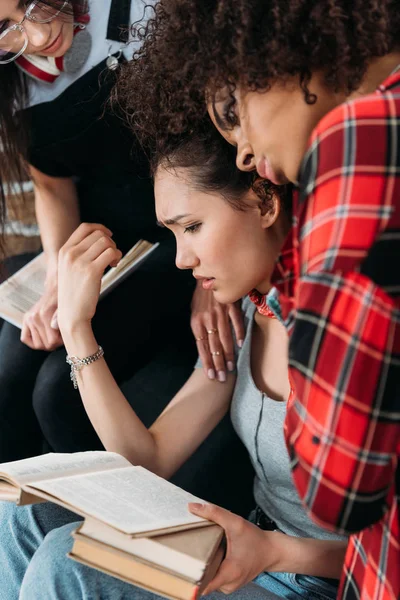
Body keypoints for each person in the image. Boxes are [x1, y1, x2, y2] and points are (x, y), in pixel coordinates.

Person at [114, 2, 400, 599]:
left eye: (234, 113)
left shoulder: (363, 144)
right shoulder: (259, 300)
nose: (245, 152)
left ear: (279, 57)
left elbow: (339, 485)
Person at [0, 125, 347, 600]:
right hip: (246, 553)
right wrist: (78, 325)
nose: (183, 258)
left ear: (266, 201)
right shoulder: (249, 313)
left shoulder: (352, 329)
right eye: (172, 233)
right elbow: (147, 457)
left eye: (193, 226)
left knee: (67, 561)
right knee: (20, 517)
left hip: (319, 582)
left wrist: (273, 551)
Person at [0, 0, 201, 463]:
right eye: (6, 27)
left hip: (179, 236)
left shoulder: (145, 11)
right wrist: (57, 278)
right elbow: (51, 183)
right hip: (97, 240)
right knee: (8, 377)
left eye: (30, 6)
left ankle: (118, 523)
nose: (33, 37)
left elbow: (213, 145)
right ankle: (28, 527)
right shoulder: (12, 72)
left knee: (57, 393)